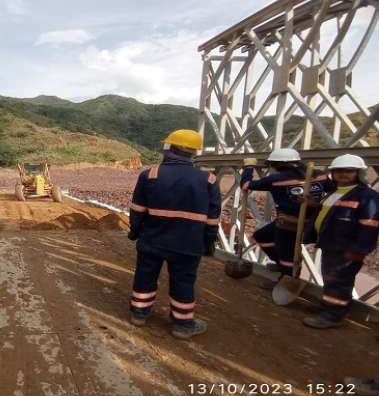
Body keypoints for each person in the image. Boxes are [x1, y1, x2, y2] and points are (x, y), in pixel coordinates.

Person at [128, 129, 221, 339]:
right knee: (184, 281)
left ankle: (139, 314)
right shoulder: (208, 180)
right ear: (193, 152)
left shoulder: (150, 174)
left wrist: (135, 232)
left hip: (152, 240)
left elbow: (137, 209)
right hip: (188, 244)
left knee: (145, 275)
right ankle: (182, 325)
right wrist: (208, 242)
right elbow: (212, 218)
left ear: (169, 148)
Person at [301, 154, 379, 328]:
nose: (343, 174)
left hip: (347, 247)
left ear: (359, 173)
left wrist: (358, 249)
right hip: (331, 243)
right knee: (330, 277)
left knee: (340, 280)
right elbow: (328, 211)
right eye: (338, 171)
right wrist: (313, 204)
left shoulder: (367, 196)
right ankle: (328, 305)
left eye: (348, 171)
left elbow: (370, 225)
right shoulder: (335, 192)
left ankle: (333, 315)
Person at [240, 149, 331, 289]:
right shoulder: (319, 175)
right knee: (262, 235)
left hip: (289, 224)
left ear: (276, 165)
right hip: (312, 221)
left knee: (287, 255)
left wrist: (249, 168)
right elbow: (333, 190)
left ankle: (286, 283)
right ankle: (281, 264)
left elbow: (246, 185)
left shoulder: (276, 179)